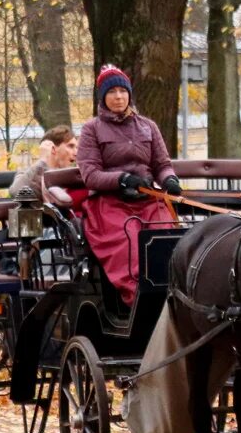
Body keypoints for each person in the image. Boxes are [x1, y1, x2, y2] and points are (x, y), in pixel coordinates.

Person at [76, 65, 182, 304]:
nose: (118, 96)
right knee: (131, 242)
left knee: (167, 238)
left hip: (148, 200)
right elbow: (90, 175)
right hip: (110, 205)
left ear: (129, 94)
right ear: (103, 97)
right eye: (111, 92)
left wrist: (169, 180)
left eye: (122, 91)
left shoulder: (148, 126)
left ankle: (177, 292)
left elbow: (162, 164)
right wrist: (122, 179)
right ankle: (139, 299)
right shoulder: (91, 129)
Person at [10, 125, 76, 198]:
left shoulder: (73, 176)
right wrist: (43, 161)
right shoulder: (29, 173)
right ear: (52, 149)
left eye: (77, 148)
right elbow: (16, 192)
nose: (76, 152)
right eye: (70, 146)